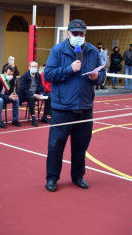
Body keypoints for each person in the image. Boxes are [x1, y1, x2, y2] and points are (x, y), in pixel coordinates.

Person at [43, 19, 106, 192]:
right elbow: (48, 74)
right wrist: (69, 69)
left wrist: (97, 78)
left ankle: (78, 176)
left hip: (85, 107)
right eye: (75, 33)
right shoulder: (57, 51)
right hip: (62, 108)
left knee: (81, 146)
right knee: (55, 146)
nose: (79, 36)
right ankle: (52, 178)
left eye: (81, 34)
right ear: (68, 33)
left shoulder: (93, 51)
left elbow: (102, 75)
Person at [0, 64, 21, 129]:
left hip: (5, 96)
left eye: (12, 74)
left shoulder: (12, 79)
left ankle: (15, 120)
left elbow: (11, 90)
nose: (10, 76)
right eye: (9, 74)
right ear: (4, 73)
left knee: (16, 99)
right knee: (0, 100)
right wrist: (8, 97)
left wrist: (13, 94)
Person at [19, 61, 50, 127]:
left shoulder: (38, 75)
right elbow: (23, 90)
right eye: (32, 66)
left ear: (37, 68)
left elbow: (41, 88)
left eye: (35, 67)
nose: (34, 68)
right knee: (31, 98)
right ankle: (33, 117)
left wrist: (41, 94)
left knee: (49, 96)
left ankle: (44, 116)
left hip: (37, 93)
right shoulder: (24, 76)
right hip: (26, 94)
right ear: (29, 67)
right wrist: (34, 95)